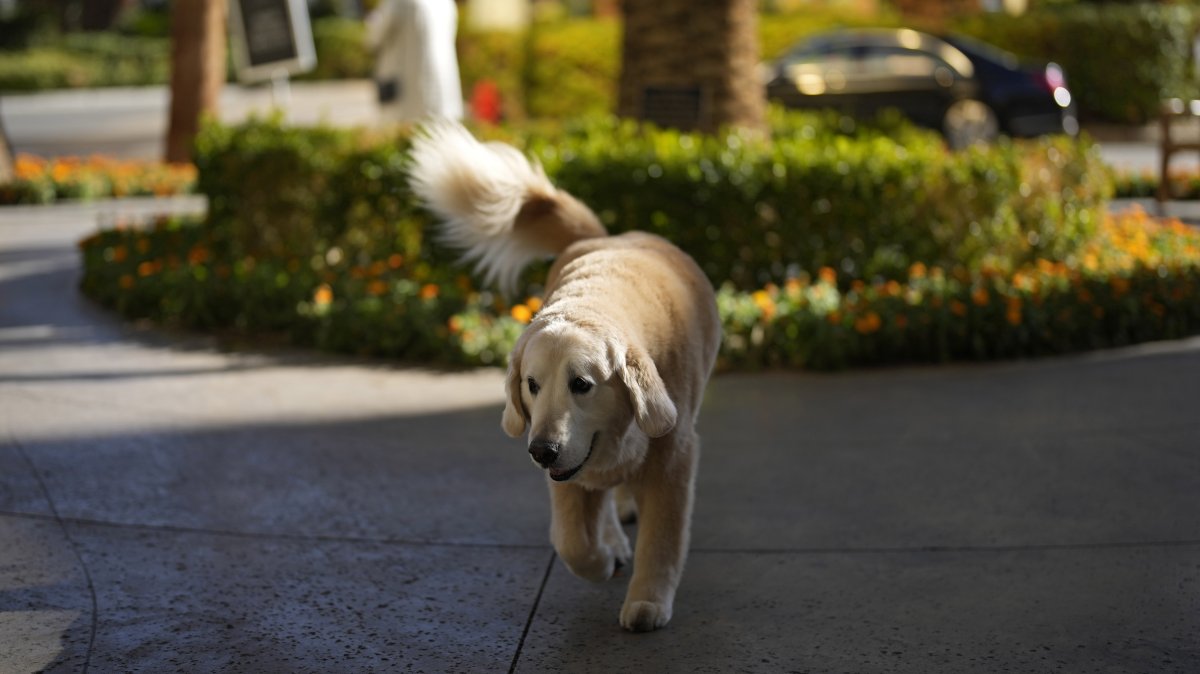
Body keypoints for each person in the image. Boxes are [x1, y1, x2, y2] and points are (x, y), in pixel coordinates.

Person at [365, 0, 464, 123]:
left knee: (401, 129)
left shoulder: (397, 3)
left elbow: (374, 37)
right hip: (443, 81)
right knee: (439, 127)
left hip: (403, 84)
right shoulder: (446, 3)